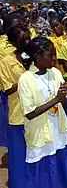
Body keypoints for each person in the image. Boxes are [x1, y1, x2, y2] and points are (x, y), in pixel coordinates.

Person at [18, 37, 67, 188]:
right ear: (37, 57)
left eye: (55, 54)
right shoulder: (26, 79)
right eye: (50, 55)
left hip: (58, 128)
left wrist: (63, 96)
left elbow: (64, 102)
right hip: (41, 132)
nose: (54, 59)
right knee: (45, 175)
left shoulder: (55, 73)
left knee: (64, 169)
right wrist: (56, 99)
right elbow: (29, 113)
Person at [0, 26, 30, 188]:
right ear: (12, 42)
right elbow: (7, 89)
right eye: (22, 39)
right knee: (19, 156)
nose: (26, 42)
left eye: (28, 38)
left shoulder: (34, 57)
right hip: (18, 114)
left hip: (37, 113)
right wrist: (26, 78)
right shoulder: (6, 62)